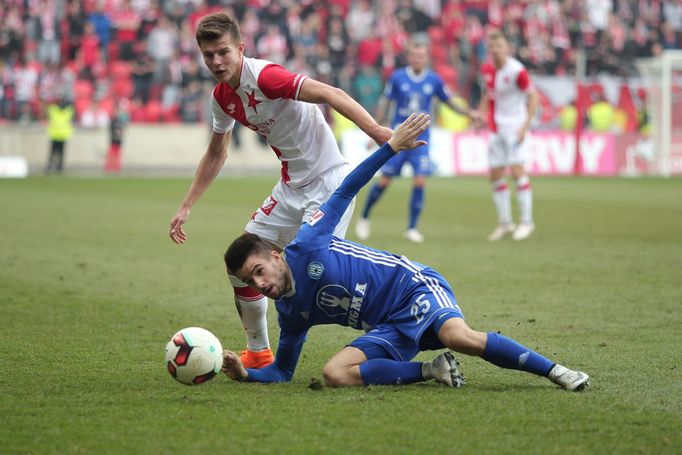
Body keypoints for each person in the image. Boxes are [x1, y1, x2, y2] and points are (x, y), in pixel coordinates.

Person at [220, 114, 590, 392]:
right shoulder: (290, 313)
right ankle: (433, 370)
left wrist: (391, 146)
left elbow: (346, 189)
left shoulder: (307, 243)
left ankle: (555, 371)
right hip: (388, 326)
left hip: (411, 286)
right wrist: (246, 374)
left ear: (275, 255)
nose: (259, 284)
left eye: (258, 270)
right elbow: (282, 372)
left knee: (458, 336)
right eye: (250, 280)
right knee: (335, 374)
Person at [168, 13, 392, 370]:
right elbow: (216, 152)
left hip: (328, 183)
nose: (216, 62)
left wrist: (377, 131)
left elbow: (331, 93)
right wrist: (187, 205)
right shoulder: (222, 97)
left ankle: (387, 328)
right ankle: (258, 352)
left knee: (314, 275)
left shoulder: (267, 77)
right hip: (290, 188)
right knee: (240, 261)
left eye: (223, 52)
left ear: (240, 48)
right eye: (208, 55)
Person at [355, 41, 479, 243]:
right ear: (409, 57)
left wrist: (469, 113)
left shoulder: (434, 80)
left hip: (421, 139)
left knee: (420, 179)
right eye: (414, 56)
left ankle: (412, 227)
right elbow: (385, 103)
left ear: (426, 58)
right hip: (398, 137)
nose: (417, 59)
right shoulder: (397, 77)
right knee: (385, 180)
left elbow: (450, 103)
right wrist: (375, 130)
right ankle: (365, 216)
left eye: (421, 56)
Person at [478, 30, 539, 242]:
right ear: (489, 50)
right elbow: (488, 93)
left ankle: (526, 222)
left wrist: (525, 126)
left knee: (517, 171)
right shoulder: (487, 69)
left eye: (500, 46)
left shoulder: (517, 71)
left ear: (506, 48)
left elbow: (533, 97)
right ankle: (505, 223)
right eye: (493, 47)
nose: (496, 50)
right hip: (496, 129)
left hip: (515, 128)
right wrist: (480, 113)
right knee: (495, 175)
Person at [46, 94, 74, 174]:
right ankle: (52, 165)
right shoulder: (54, 109)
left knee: (60, 152)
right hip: (56, 134)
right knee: (54, 152)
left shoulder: (66, 110)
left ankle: (59, 166)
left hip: (61, 134)